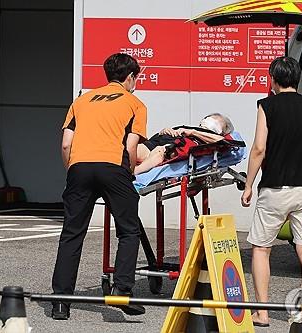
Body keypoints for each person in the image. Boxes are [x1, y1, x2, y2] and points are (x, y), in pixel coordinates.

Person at [51, 53, 147, 319]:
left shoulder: (81, 101)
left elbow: (66, 144)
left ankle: (61, 302)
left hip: (79, 168)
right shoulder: (135, 103)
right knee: (128, 231)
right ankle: (122, 292)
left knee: (72, 233)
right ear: (130, 77)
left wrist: (73, 170)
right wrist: (127, 175)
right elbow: (130, 147)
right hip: (113, 168)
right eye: (136, 78)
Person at [241, 56, 302, 327]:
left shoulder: (266, 106)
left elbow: (258, 149)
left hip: (274, 189)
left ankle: (263, 313)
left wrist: (248, 185)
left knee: (261, 249)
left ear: (273, 79)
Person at [134, 113, 235, 174]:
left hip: (168, 149)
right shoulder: (189, 127)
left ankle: (133, 173)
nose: (211, 121)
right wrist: (166, 131)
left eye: (216, 122)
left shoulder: (212, 137)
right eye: (211, 118)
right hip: (161, 141)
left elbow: (222, 141)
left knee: (160, 150)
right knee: (132, 149)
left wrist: (193, 133)